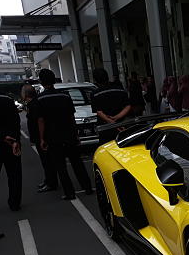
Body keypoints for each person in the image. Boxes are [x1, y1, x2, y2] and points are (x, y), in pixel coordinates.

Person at [37, 68, 92, 201]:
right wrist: (76, 134)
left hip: (53, 136)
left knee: (60, 165)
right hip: (69, 134)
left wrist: (42, 138)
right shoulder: (65, 97)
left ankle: (69, 193)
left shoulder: (40, 99)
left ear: (41, 82)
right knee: (77, 162)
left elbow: (41, 120)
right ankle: (88, 187)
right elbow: (71, 117)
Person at [22, 84, 57, 192]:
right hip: (38, 136)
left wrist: (41, 138)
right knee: (45, 160)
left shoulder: (34, 104)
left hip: (40, 136)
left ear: (25, 94)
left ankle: (51, 183)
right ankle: (48, 180)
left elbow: (40, 120)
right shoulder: (32, 103)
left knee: (46, 160)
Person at [91, 67, 131, 144]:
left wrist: (112, 123)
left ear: (95, 80)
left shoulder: (95, 94)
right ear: (107, 77)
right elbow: (128, 106)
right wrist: (117, 117)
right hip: (122, 125)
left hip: (106, 128)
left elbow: (99, 112)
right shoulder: (120, 89)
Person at [0, 90, 22, 211]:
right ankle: (15, 203)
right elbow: (16, 122)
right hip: (11, 142)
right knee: (14, 175)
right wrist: (16, 140)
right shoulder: (8, 101)